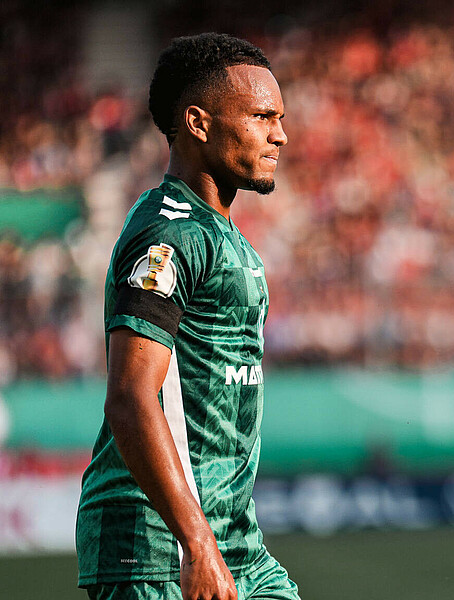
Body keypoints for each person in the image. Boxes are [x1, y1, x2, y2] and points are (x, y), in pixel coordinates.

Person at [76, 33, 297, 600]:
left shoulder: (229, 240)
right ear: (198, 124)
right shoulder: (168, 234)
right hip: (157, 553)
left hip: (234, 546)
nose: (280, 134)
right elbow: (130, 396)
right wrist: (196, 544)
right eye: (261, 116)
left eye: (280, 117)